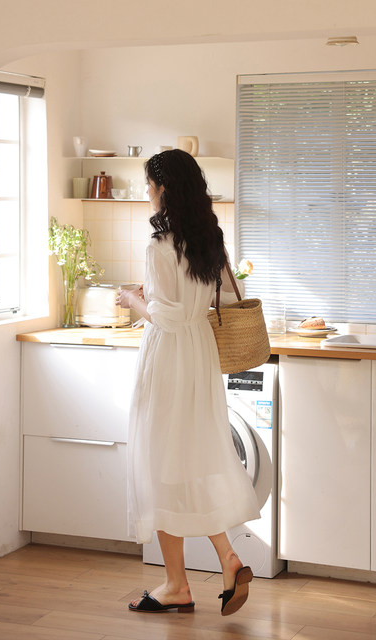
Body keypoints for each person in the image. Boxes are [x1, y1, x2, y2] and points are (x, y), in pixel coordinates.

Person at [116, 149, 260, 616]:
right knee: (188, 460)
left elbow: (165, 316)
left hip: (169, 356)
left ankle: (178, 584)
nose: (147, 192)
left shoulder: (158, 246)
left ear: (164, 189)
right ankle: (223, 559)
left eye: (149, 185)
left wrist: (131, 299)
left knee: (161, 465)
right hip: (199, 353)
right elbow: (219, 294)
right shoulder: (209, 239)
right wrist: (166, 298)